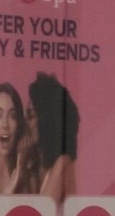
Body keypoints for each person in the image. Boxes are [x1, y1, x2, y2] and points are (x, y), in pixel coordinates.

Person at [23, 70, 81, 207]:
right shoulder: (38, 167)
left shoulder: (62, 163)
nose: (25, 122)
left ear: (46, 120)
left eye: (30, 115)